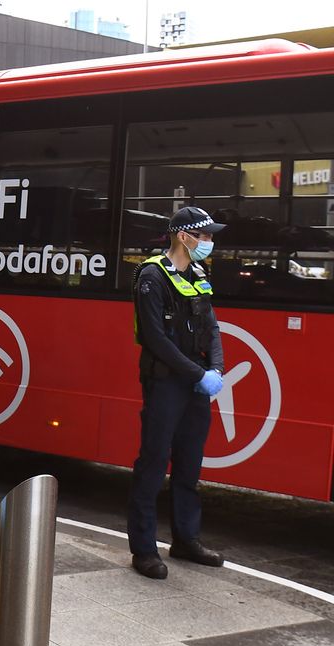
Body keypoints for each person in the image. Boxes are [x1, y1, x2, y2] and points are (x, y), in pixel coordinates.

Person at [127, 206, 227, 579]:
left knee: (189, 464)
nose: (209, 242)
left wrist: (215, 369)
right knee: (153, 465)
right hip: (166, 382)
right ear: (184, 236)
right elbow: (155, 338)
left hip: (196, 383)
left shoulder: (199, 273)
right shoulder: (151, 277)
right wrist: (198, 373)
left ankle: (186, 540)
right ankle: (144, 550)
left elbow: (213, 327)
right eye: (205, 235)